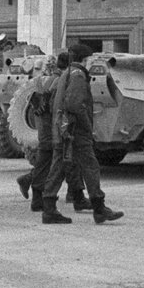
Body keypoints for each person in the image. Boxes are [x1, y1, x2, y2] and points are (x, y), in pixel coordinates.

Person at [41, 43, 124, 225]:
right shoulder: (78, 76)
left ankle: (48, 208)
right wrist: (87, 126)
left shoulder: (67, 73)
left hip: (63, 130)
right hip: (75, 131)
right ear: (85, 59)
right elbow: (74, 104)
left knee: (58, 168)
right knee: (90, 167)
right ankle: (99, 208)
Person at [16, 53, 90, 213]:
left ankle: (38, 195)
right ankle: (74, 197)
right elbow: (58, 107)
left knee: (47, 164)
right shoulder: (60, 81)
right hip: (54, 131)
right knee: (66, 163)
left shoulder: (47, 80)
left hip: (46, 131)